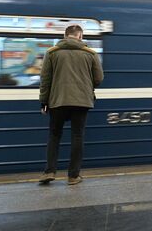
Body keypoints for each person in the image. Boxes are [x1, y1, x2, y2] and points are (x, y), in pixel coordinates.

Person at [38, 25, 104, 185]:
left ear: (65, 35)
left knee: (54, 135)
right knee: (77, 136)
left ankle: (50, 171)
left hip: (57, 101)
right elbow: (99, 78)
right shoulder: (91, 54)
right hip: (81, 101)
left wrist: (44, 101)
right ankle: (73, 176)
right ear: (80, 36)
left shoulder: (52, 53)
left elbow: (45, 80)